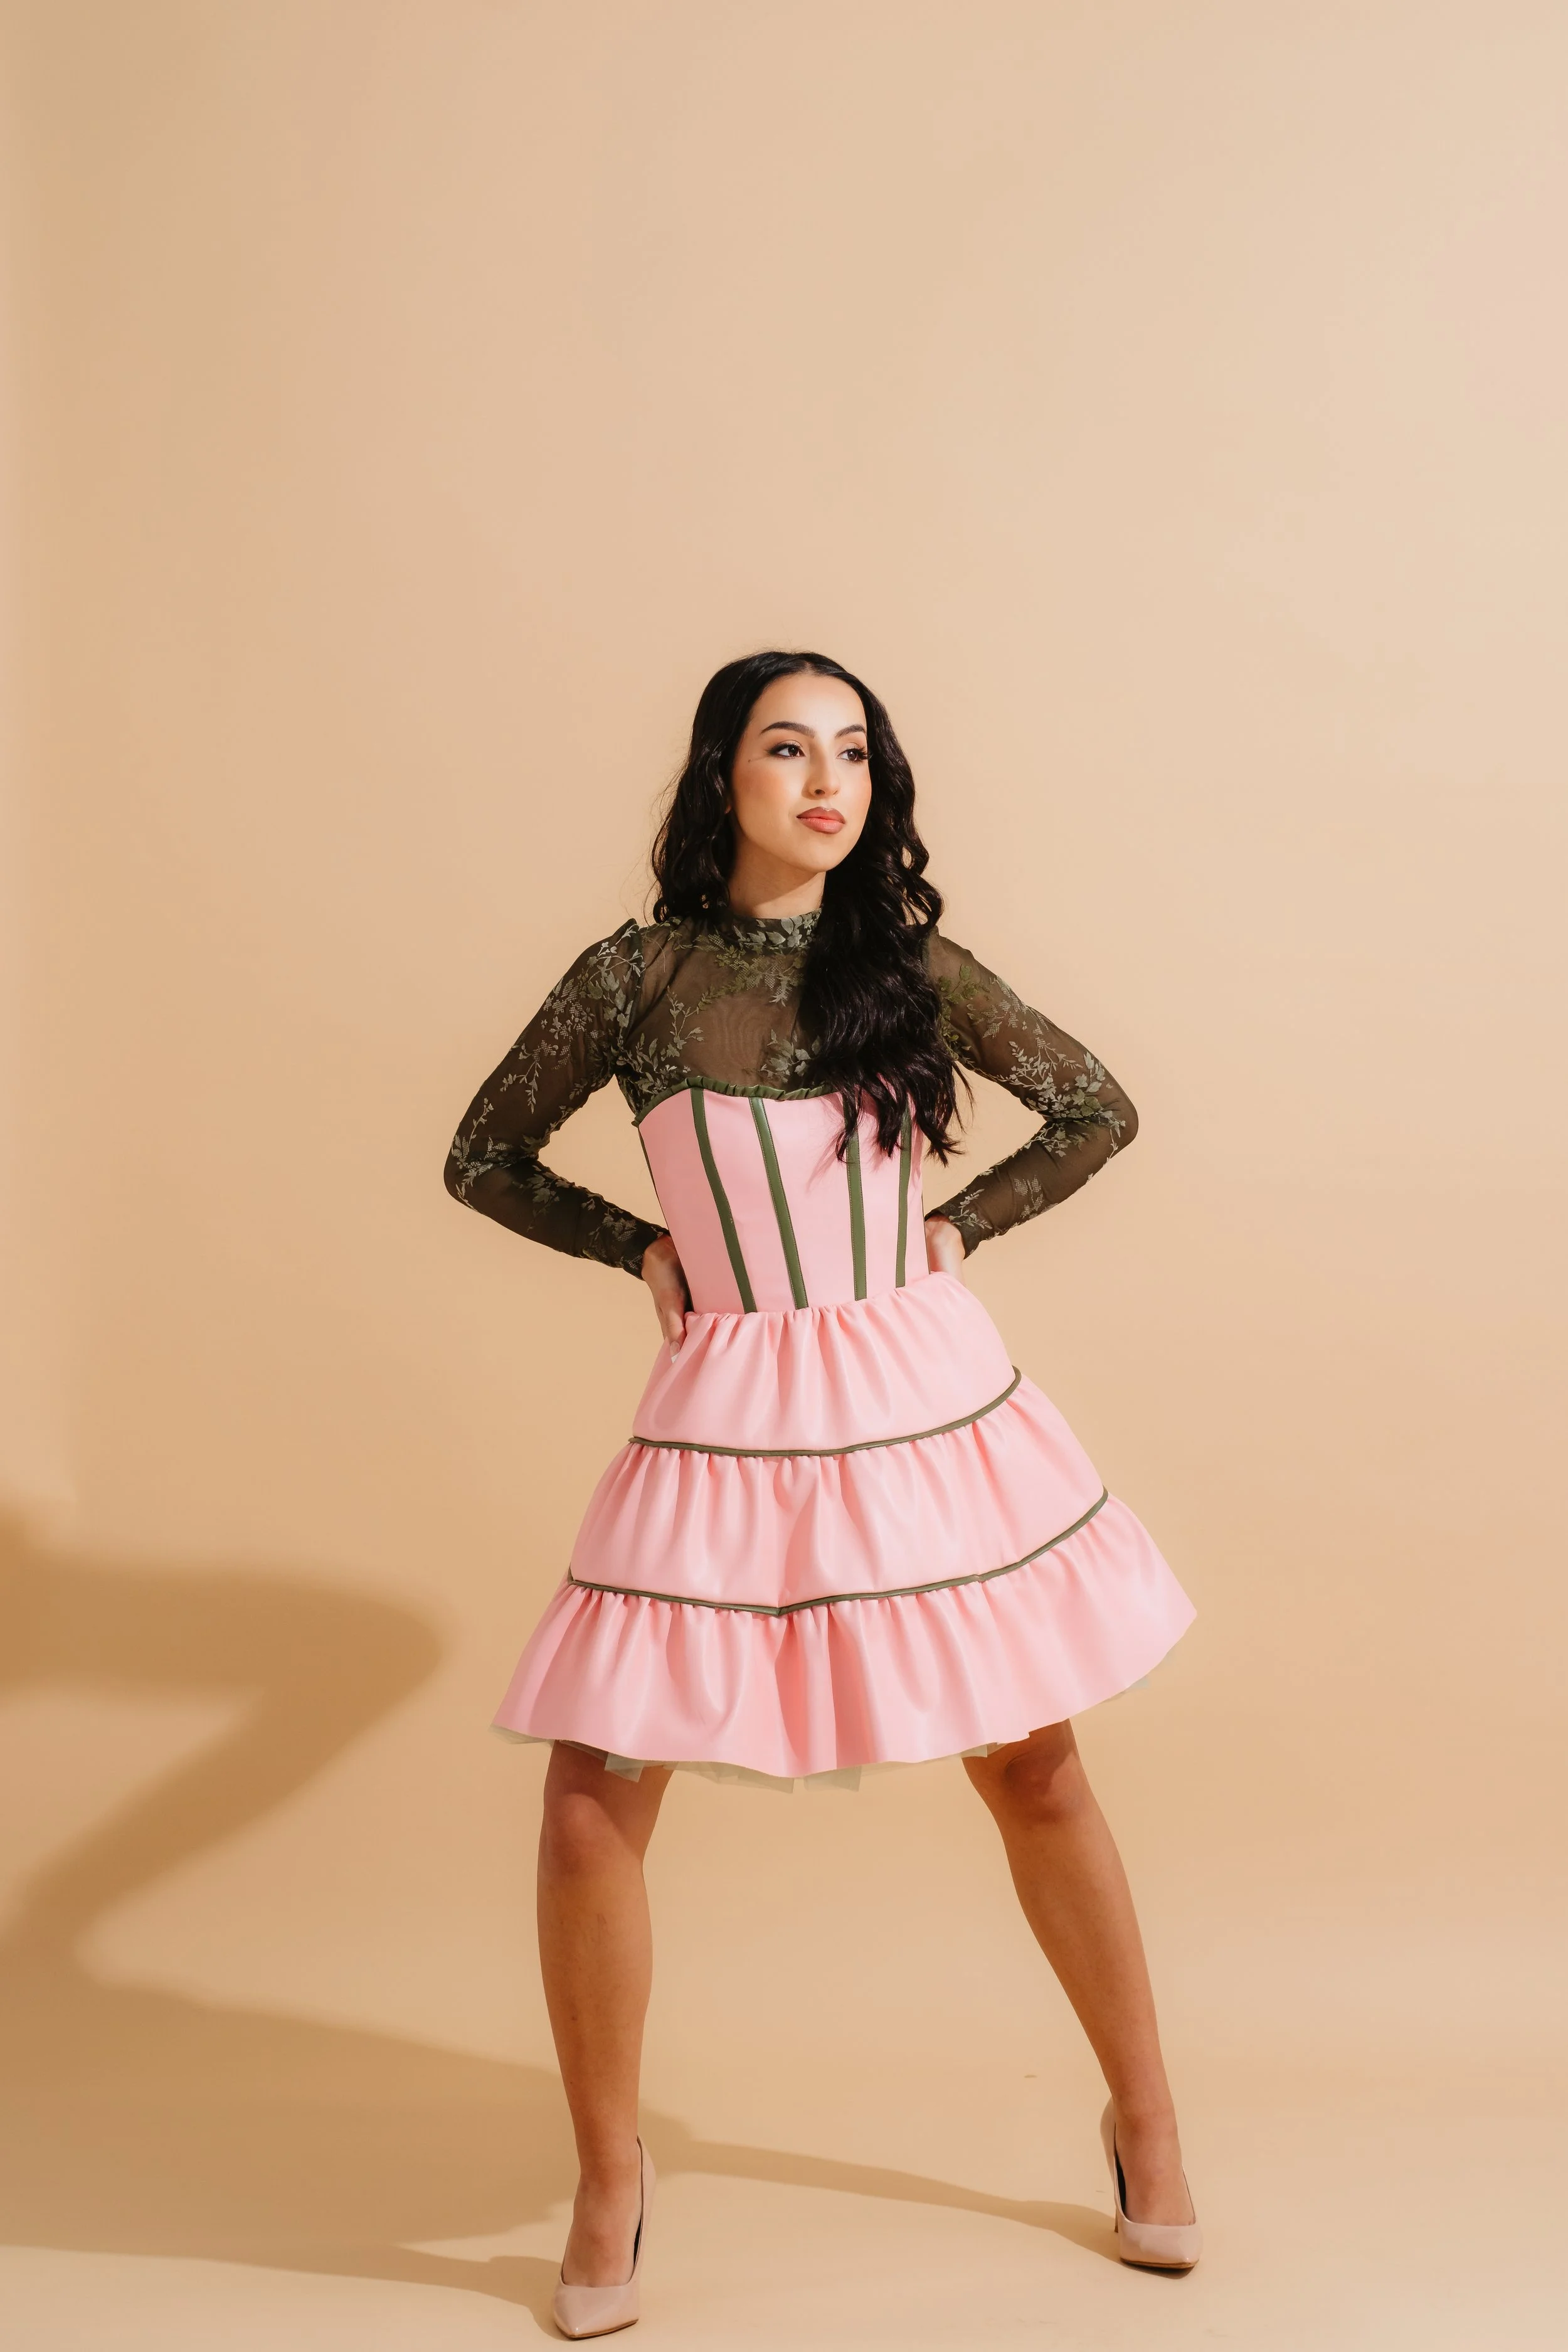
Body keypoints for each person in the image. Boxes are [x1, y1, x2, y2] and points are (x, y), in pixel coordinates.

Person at [444, 650, 1201, 2336]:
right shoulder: (634, 977)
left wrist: (960, 1227)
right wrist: (630, 1241)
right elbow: (481, 1153)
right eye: (787, 747)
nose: (824, 780)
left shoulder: (908, 968)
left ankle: (1144, 2118)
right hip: (725, 1397)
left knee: (1031, 1757)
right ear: (721, 774)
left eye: (852, 751)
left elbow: (1093, 1106)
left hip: (916, 1383)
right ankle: (609, 2179)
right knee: (590, 1781)